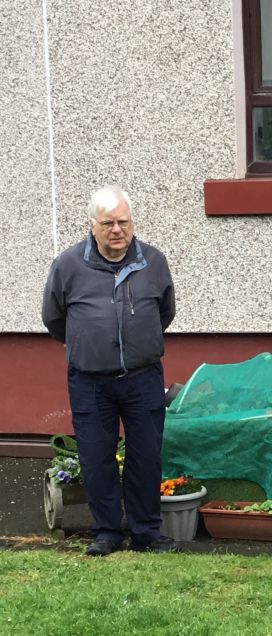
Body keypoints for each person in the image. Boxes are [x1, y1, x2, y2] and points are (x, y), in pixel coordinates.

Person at [42, 185, 176, 556]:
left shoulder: (153, 261)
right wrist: (90, 344)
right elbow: (54, 319)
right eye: (108, 223)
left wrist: (137, 343)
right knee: (96, 456)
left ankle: (146, 532)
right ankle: (106, 533)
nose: (117, 229)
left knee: (146, 456)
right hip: (89, 381)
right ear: (93, 226)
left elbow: (164, 311)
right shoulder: (68, 265)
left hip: (143, 377)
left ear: (132, 223)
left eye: (123, 222)